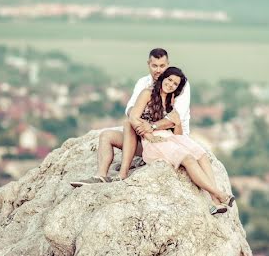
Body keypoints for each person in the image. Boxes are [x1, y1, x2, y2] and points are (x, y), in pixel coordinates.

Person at [71, 48, 190, 186]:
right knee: (107, 135)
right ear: (148, 64)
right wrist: (141, 126)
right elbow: (130, 109)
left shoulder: (177, 84)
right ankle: (101, 176)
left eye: (162, 66)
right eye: (154, 65)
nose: (158, 70)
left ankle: (123, 173)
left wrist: (148, 126)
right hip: (145, 138)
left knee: (129, 124)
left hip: (169, 141)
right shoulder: (143, 83)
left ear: (167, 65)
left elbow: (174, 120)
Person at [124, 66, 234, 215]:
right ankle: (219, 194)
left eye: (175, 84)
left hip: (171, 137)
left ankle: (214, 201)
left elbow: (178, 133)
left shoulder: (172, 101)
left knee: (201, 155)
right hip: (153, 141)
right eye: (169, 80)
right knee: (188, 159)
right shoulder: (147, 93)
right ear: (163, 78)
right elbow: (133, 118)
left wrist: (177, 122)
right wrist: (148, 134)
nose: (170, 85)